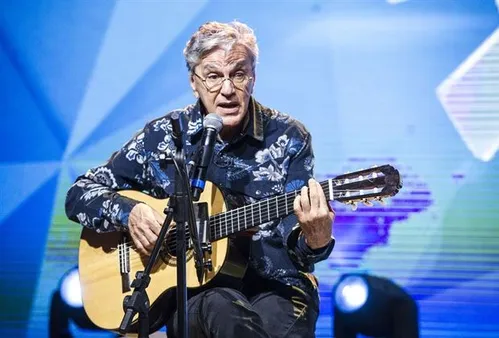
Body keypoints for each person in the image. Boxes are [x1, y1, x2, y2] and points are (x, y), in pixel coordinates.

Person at [65, 20, 335, 338]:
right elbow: (79, 194)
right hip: (197, 296)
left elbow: (298, 250)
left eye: (238, 73)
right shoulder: (165, 136)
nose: (227, 89)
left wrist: (317, 240)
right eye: (213, 76)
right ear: (194, 82)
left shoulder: (289, 137)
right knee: (220, 306)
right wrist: (131, 213)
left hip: (276, 288)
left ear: (253, 76)